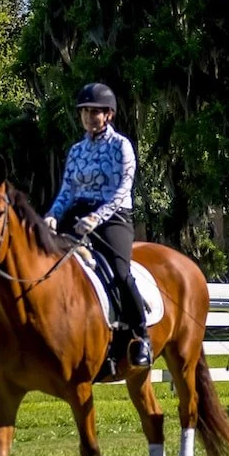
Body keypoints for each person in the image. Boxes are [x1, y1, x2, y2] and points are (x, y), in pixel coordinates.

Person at [47, 82, 151, 368]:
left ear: (109, 115)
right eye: (85, 112)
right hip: (77, 213)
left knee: (119, 271)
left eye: (96, 112)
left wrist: (96, 218)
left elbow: (122, 190)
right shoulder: (77, 151)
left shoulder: (121, 147)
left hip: (113, 216)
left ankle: (140, 335)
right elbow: (67, 190)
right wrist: (53, 215)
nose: (89, 117)